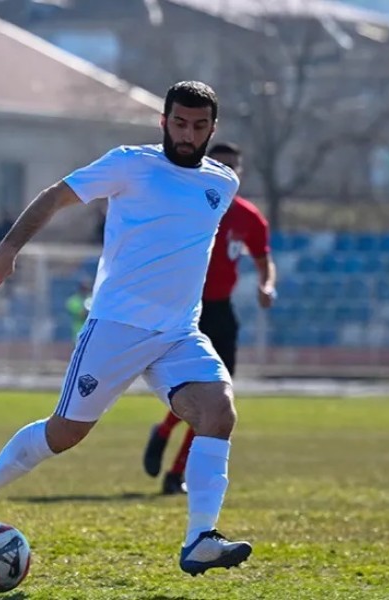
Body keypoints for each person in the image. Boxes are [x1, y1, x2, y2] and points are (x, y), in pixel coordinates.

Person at [0, 81, 253, 576]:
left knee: (219, 412)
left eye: (198, 126)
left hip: (178, 334)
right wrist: (8, 247)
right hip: (117, 327)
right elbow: (55, 197)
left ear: (213, 128)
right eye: (178, 123)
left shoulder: (223, 184)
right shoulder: (130, 163)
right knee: (64, 435)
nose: (187, 135)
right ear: (163, 121)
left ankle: (200, 538)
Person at [143, 142, 276, 495]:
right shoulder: (186, 207)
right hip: (185, 308)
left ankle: (176, 471)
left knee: (218, 397)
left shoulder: (249, 218)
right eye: (219, 164)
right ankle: (164, 431)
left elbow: (264, 262)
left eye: (233, 166)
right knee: (193, 390)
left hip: (220, 312)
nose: (227, 171)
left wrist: (266, 285)